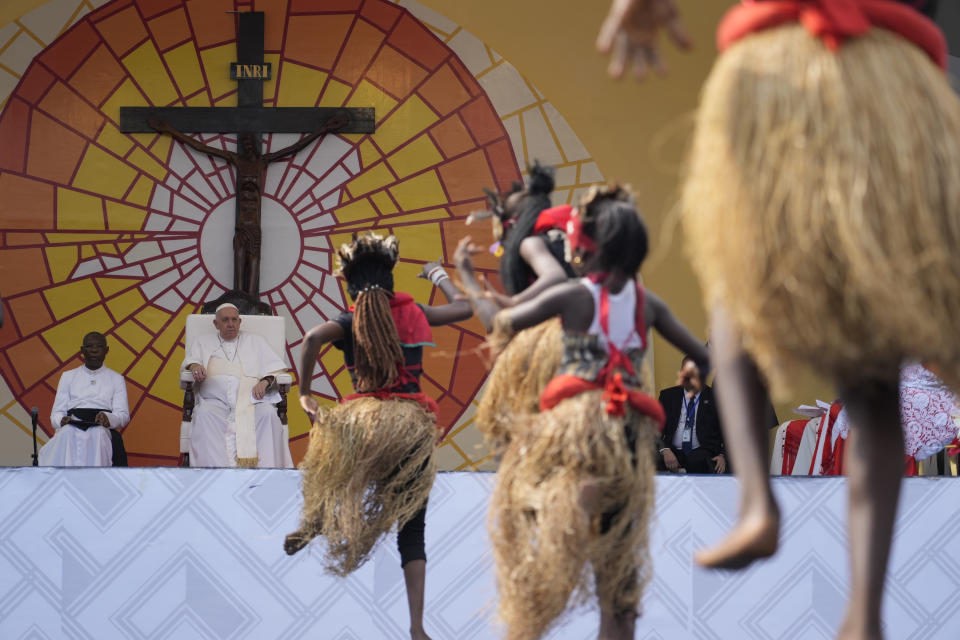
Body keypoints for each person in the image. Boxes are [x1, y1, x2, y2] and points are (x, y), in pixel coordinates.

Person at [680, 2, 958, 638]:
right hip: (791, 72)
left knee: (871, 378)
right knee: (737, 300)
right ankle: (760, 509)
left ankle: (859, 605)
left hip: (878, 83)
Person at [456, 185, 709, 640]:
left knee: (557, 559)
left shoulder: (573, 298)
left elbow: (500, 324)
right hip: (630, 444)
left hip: (581, 434)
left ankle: (557, 536)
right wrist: (692, 371)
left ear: (581, 247)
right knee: (619, 590)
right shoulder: (648, 304)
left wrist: (469, 279)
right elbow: (701, 358)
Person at [284, 233, 472, 640]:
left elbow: (311, 338)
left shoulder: (351, 319)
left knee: (330, 464)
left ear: (350, 284)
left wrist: (303, 394)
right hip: (408, 426)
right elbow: (465, 308)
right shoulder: (413, 311)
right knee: (412, 527)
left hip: (363, 422)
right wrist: (437, 274)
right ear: (390, 279)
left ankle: (317, 515)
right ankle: (417, 626)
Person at [466, 163, 577, 452]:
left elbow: (555, 277)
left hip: (550, 350)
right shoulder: (562, 240)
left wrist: (514, 301)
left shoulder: (531, 243)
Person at [182, 303, 292, 468]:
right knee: (203, 414)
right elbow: (191, 362)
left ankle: (267, 474)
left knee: (268, 413)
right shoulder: (203, 342)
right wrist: (195, 366)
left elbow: (275, 369)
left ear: (240, 322)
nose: (231, 324)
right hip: (215, 404)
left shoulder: (256, 341)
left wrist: (264, 381)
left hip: (251, 402)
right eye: (225, 320)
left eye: (234, 319)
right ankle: (213, 476)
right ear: (216, 324)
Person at [39, 332, 129, 467]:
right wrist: (61, 420)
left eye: (99, 346)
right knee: (67, 433)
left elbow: (123, 416)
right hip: (72, 423)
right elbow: (56, 414)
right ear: (82, 350)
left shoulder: (116, 378)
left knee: (97, 434)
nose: (94, 350)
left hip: (101, 426)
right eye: (89, 346)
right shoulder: (68, 376)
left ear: (106, 350)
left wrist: (108, 418)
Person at [658, 355, 727, 474]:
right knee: (649, 457)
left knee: (699, 460)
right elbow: (653, 429)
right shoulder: (668, 396)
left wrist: (722, 455)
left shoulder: (716, 398)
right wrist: (665, 450)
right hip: (672, 450)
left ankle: (683, 474)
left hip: (701, 452)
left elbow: (727, 432)